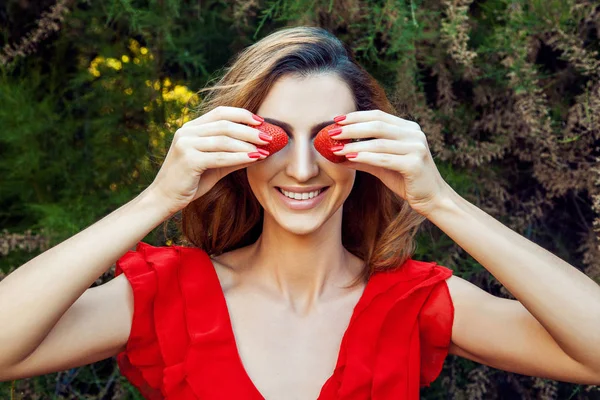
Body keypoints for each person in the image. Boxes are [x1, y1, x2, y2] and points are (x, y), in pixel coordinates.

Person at [0, 25, 599, 400]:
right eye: (276, 138)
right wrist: (159, 198)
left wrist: (439, 200)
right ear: (237, 148)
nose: (304, 169)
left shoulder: (411, 302)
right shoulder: (170, 295)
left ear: (367, 148)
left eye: (330, 138)